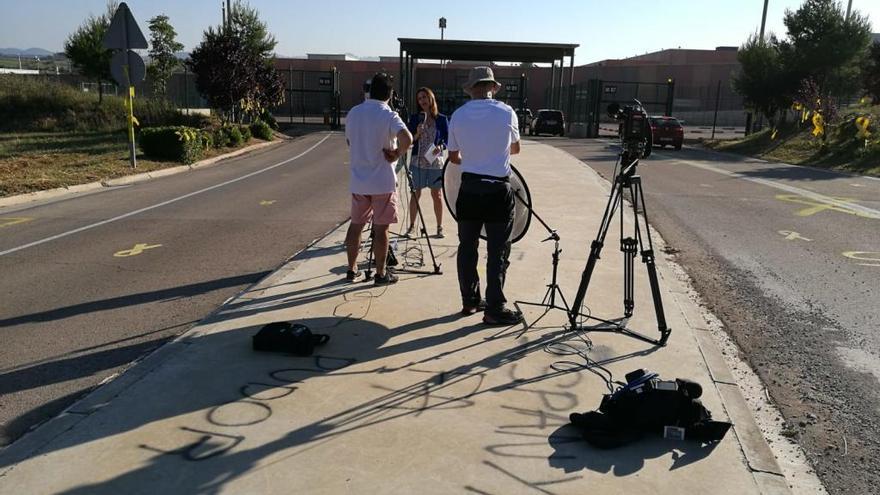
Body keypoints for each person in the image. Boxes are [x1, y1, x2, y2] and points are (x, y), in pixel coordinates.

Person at [447, 67, 523, 325]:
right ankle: (494, 307)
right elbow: (516, 148)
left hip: (468, 190)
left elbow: (454, 157)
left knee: (467, 248)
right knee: (498, 250)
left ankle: (470, 301)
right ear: (492, 87)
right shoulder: (506, 112)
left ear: (471, 89)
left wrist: (474, 154)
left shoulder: (458, 115)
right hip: (497, 190)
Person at [344, 73, 413, 285]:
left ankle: (352, 270)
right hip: (382, 181)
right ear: (390, 94)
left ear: (369, 91)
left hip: (359, 181)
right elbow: (407, 138)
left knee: (356, 225)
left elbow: (349, 141)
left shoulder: (354, 113)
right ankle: (381, 273)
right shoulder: (388, 115)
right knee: (381, 229)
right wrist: (396, 153)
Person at [405, 87, 449, 238]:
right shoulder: (414, 118)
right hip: (418, 162)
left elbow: (448, 140)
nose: (422, 101)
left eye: (424, 97)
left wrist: (441, 146)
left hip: (435, 162)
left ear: (431, 98)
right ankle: (411, 227)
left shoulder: (442, 119)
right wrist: (417, 133)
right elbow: (409, 139)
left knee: (437, 194)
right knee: (415, 194)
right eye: (419, 99)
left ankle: (439, 227)